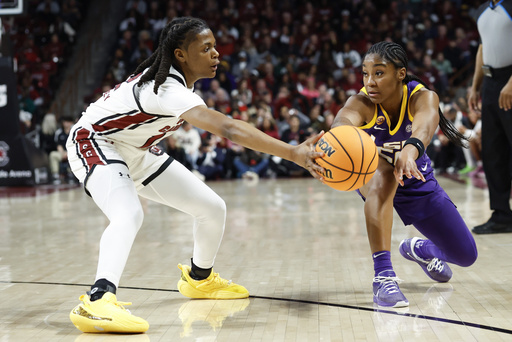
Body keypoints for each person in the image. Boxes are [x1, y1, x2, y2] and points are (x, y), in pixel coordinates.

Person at [66, 17, 324, 334]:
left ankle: (199, 280)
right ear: (180, 55)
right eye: (206, 48)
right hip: (94, 142)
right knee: (129, 214)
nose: (216, 54)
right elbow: (228, 128)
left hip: (136, 149)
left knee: (212, 208)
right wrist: (292, 152)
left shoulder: (177, 84)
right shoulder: (166, 88)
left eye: (215, 46)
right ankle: (97, 301)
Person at [331, 41, 477, 308]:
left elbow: (423, 128)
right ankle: (383, 277)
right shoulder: (361, 102)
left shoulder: (423, 97)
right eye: (365, 73)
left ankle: (421, 249)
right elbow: (340, 125)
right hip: (374, 174)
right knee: (384, 176)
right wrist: (342, 138)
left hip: (415, 176)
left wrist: (409, 152)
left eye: (378, 72)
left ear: (400, 73)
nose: (369, 81)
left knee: (466, 255)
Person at [468, 0, 512, 234]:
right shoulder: (482, 10)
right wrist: (475, 86)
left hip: (510, 78)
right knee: (493, 150)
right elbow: (483, 48)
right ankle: (502, 214)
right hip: (491, 82)